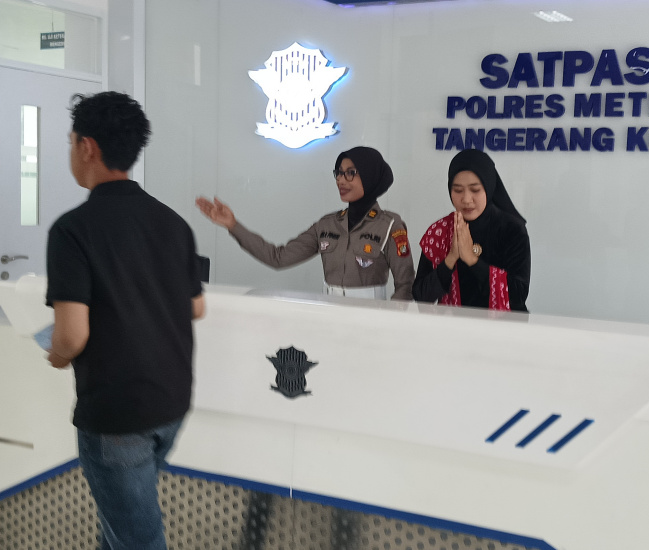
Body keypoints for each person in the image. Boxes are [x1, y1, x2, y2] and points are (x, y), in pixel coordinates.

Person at [45, 91, 205, 549]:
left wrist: (56, 354)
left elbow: (72, 335)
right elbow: (196, 307)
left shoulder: (73, 230)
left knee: (135, 538)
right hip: (172, 402)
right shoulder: (173, 223)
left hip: (118, 414)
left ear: (87, 147)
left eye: (71, 141)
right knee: (121, 527)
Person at [195, 146, 414, 300]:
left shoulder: (389, 225)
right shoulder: (328, 225)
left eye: (350, 173)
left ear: (370, 176)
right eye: (338, 173)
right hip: (329, 316)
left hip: (371, 319)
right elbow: (278, 257)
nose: (341, 180)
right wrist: (233, 225)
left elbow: (405, 285)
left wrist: (390, 322)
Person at [412, 148, 530, 311]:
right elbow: (420, 295)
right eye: (458, 190)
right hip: (453, 325)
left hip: (504, 326)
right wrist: (451, 258)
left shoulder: (512, 230)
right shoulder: (440, 232)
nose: (466, 199)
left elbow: (518, 295)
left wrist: (472, 260)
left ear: (489, 187)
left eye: (475, 190)